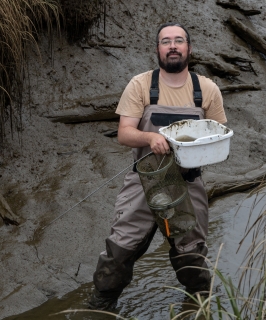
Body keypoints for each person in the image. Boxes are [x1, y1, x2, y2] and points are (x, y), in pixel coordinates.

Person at [88, 22, 227, 311]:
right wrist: (150, 136)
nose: (172, 46)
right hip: (144, 180)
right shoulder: (140, 85)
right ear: (158, 49)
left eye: (179, 41)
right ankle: (100, 307)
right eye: (166, 41)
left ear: (188, 48)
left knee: (192, 255)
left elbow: (220, 134)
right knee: (120, 250)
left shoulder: (207, 89)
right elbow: (125, 133)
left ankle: (200, 307)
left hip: (188, 184)